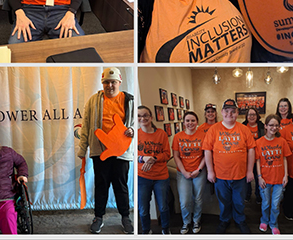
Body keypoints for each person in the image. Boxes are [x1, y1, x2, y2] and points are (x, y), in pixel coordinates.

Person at [77, 67, 136, 234]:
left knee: (121, 186)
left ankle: (125, 217)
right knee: (101, 185)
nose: (110, 85)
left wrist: (132, 130)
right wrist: (83, 148)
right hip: (100, 151)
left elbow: (135, 123)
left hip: (121, 152)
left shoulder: (129, 100)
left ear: (120, 82)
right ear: (102, 83)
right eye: (106, 82)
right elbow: (86, 125)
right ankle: (98, 217)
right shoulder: (93, 101)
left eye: (113, 82)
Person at [203, 98, 257, 234]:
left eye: (233, 111)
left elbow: (251, 150)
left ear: (237, 112)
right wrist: (210, 171)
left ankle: (240, 220)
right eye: (226, 111)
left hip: (240, 174)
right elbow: (207, 150)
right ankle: (225, 220)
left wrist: (250, 171)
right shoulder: (213, 130)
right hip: (220, 174)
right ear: (221, 112)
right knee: (224, 201)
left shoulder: (244, 129)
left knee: (239, 201)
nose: (229, 114)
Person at [137, 105, 171, 235]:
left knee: (163, 206)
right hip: (142, 177)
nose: (142, 118)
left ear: (151, 117)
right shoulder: (136, 134)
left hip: (161, 177)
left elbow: (167, 154)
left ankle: (165, 229)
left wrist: (154, 158)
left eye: (145, 115)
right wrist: (143, 158)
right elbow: (131, 154)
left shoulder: (161, 134)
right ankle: (146, 231)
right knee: (143, 208)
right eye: (139, 116)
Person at [173, 111, 207, 234]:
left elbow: (206, 155)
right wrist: (184, 172)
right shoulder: (178, 137)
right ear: (183, 122)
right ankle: (186, 222)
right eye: (187, 120)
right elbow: (176, 156)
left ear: (197, 122)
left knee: (198, 199)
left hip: (199, 172)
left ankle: (196, 221)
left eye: (193, 120)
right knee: (184, 201)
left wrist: (199, 170)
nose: (190, 123)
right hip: (183, 173)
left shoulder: (203, 135)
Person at [257, 114, 292, 234]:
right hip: (265, 178)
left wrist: (285, 175)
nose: (274, 128)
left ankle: (273, 223)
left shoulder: (282, 141)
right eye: (271, 125)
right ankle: (264, 220)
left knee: (275, 205)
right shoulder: (259, 142)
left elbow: (284, 159)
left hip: (279, 178)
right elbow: (257, 160)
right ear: (265, 126)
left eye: (277, 125)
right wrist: (259, 177)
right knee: (266, 203)